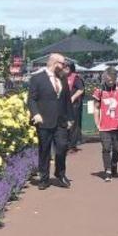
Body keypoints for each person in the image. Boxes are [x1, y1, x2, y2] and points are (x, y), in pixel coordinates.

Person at [27, 52, 73, 189]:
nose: (64, 66)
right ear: (54, 63)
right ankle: (44, 178)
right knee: (45, 150)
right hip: (44, 120)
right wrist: (35, 114)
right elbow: (31, 99)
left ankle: (60, 173)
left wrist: (70, 118)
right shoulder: (37, 79)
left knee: (62, 147)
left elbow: (67, 100)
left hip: (61, 121)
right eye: (62, 63)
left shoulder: (63, 79)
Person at [92, 68, 118, 182]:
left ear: (115, 78)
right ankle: (107, 170)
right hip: (104, 126)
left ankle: (114, 163)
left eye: (112, 80)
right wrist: (97, 123)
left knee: (117, 149)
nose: (110, 82)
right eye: (108, 80)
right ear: (105, 78)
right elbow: (96, 108)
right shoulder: (99, 91)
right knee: (106, 148)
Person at [66, 60, 85, 151]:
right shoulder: (62, 77)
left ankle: (72, 144)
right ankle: (66, 142)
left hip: (74, 105)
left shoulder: (75, 78)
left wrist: (73, 97)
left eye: (67, 67)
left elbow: (81, 89)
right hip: (64, 104)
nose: (65, 69)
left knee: (73, 124)